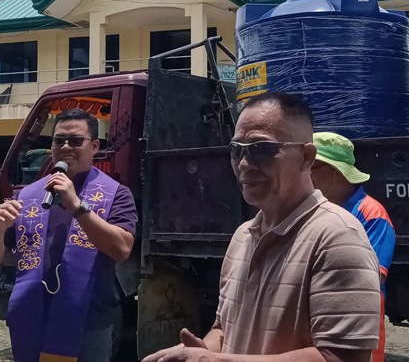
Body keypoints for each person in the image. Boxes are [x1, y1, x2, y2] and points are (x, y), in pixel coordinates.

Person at [143, 92, 381, 362]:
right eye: (236, 150)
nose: (244, 164)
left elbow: (341, 357)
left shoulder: (338, 238)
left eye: (261, 149)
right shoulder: (243, 236)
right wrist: (201, 351)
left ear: (306, 157)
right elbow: (223, 330)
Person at [0, 108, 138, 362]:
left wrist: (78, 207)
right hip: (32, 319)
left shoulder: (115, 193)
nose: (65, 147)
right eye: (58, 140)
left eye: (75, 140)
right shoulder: (28, 195)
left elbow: (121, 249)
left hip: (88, 321)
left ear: (95, 146)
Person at [310, 132, 396, 362]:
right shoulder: (313, 211)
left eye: (313, 167)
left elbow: (372, 278)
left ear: (335, 172)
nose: (305, 175)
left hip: (357, 325)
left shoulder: (371, 214)